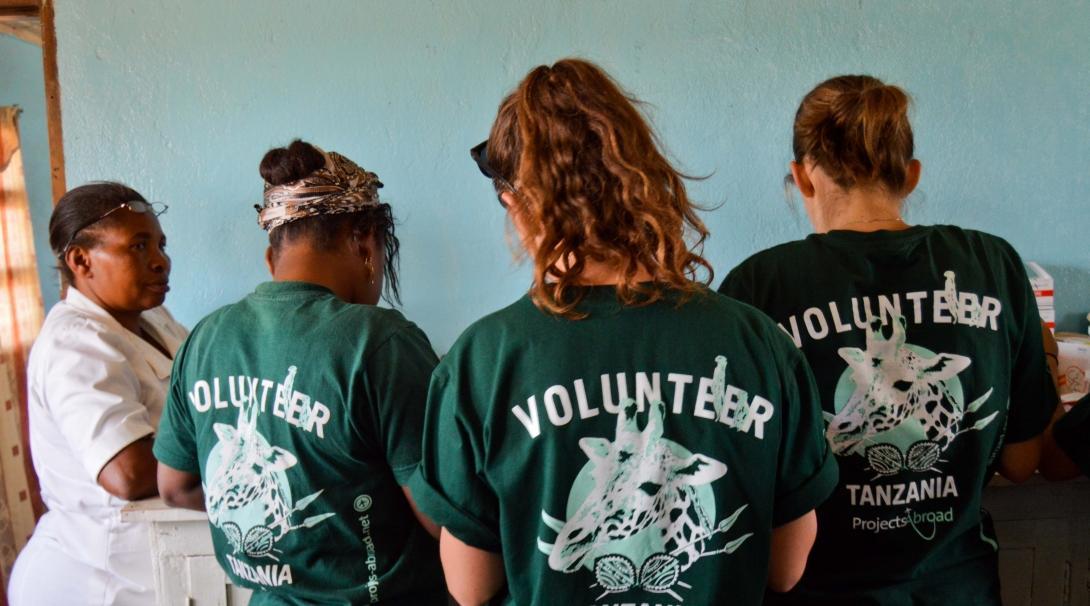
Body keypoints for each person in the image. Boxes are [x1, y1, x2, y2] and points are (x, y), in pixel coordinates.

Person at [410, 59, 838, 606]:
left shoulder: (482, 362)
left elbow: (470, 587)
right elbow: (785, 568)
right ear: (642, 181)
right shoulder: (759, 343)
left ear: (517, 207)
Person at [719, 75, 1059, 605]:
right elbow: (1020, 463)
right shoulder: (991, 265)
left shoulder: (756, 288)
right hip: (958, 589)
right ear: (911, 175)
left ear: (802, 179)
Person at [153, 140, 446, 604]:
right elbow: (440, 519)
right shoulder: (380, 341)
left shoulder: (205, 338)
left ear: (272, 257)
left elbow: (175, 485)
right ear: (366, 242)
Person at [8, 182, 188, 605]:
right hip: (95, 579)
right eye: (138, 247)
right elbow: (128, 473)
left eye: (160, 245)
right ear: (81, 260)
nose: (161, 261)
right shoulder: (75, 345)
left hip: (150, 567)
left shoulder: (154, 320)